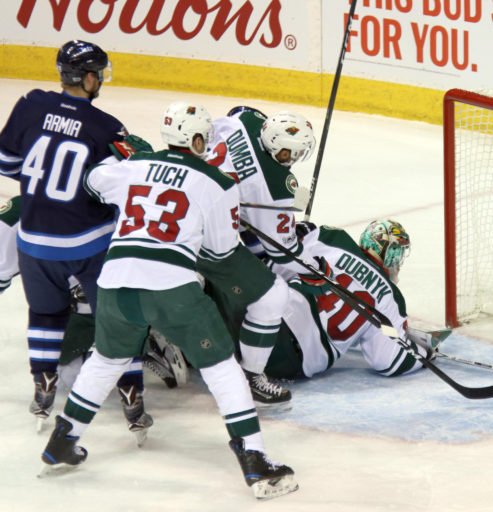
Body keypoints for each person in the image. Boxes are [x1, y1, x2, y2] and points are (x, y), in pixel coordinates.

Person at [39, 101, 297, 500]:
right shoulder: (217, 182)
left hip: (115, 283)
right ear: (196, 139)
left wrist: (132, 159)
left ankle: (63, 440)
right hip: (170, 287)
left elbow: (92, 180)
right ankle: (254, 458)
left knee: (107, 360)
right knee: (222, 367)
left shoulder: (134, 166)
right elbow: (220, 251)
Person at [0, 40, 148, 432]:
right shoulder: (107, 127)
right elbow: (120, 190)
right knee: (117, 317)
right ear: (88, 78)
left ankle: (43, 382)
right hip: (88, 244)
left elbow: (7, 163)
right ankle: (131, 390)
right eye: (98, 74)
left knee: (45, 313)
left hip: (33, 241)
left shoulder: (30, 104)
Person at [197, 107, 316, 407]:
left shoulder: (246, 120)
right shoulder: (277, 187)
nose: (295, 159)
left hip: (178, 202)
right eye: (292, 153)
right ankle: (251, 376)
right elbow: (283, 253)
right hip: (207, 235)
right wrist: (314, 265)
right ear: (280, 150)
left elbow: (233, 113)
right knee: (272, 296)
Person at [260, 220, 433, 379]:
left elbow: (274, 265)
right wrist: (426, 353)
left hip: (266, 319)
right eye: (395, 252)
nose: (397, 262)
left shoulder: (333, 238)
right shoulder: (390, 296)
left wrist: (302, 232)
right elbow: (390, 361)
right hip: (293, 363)